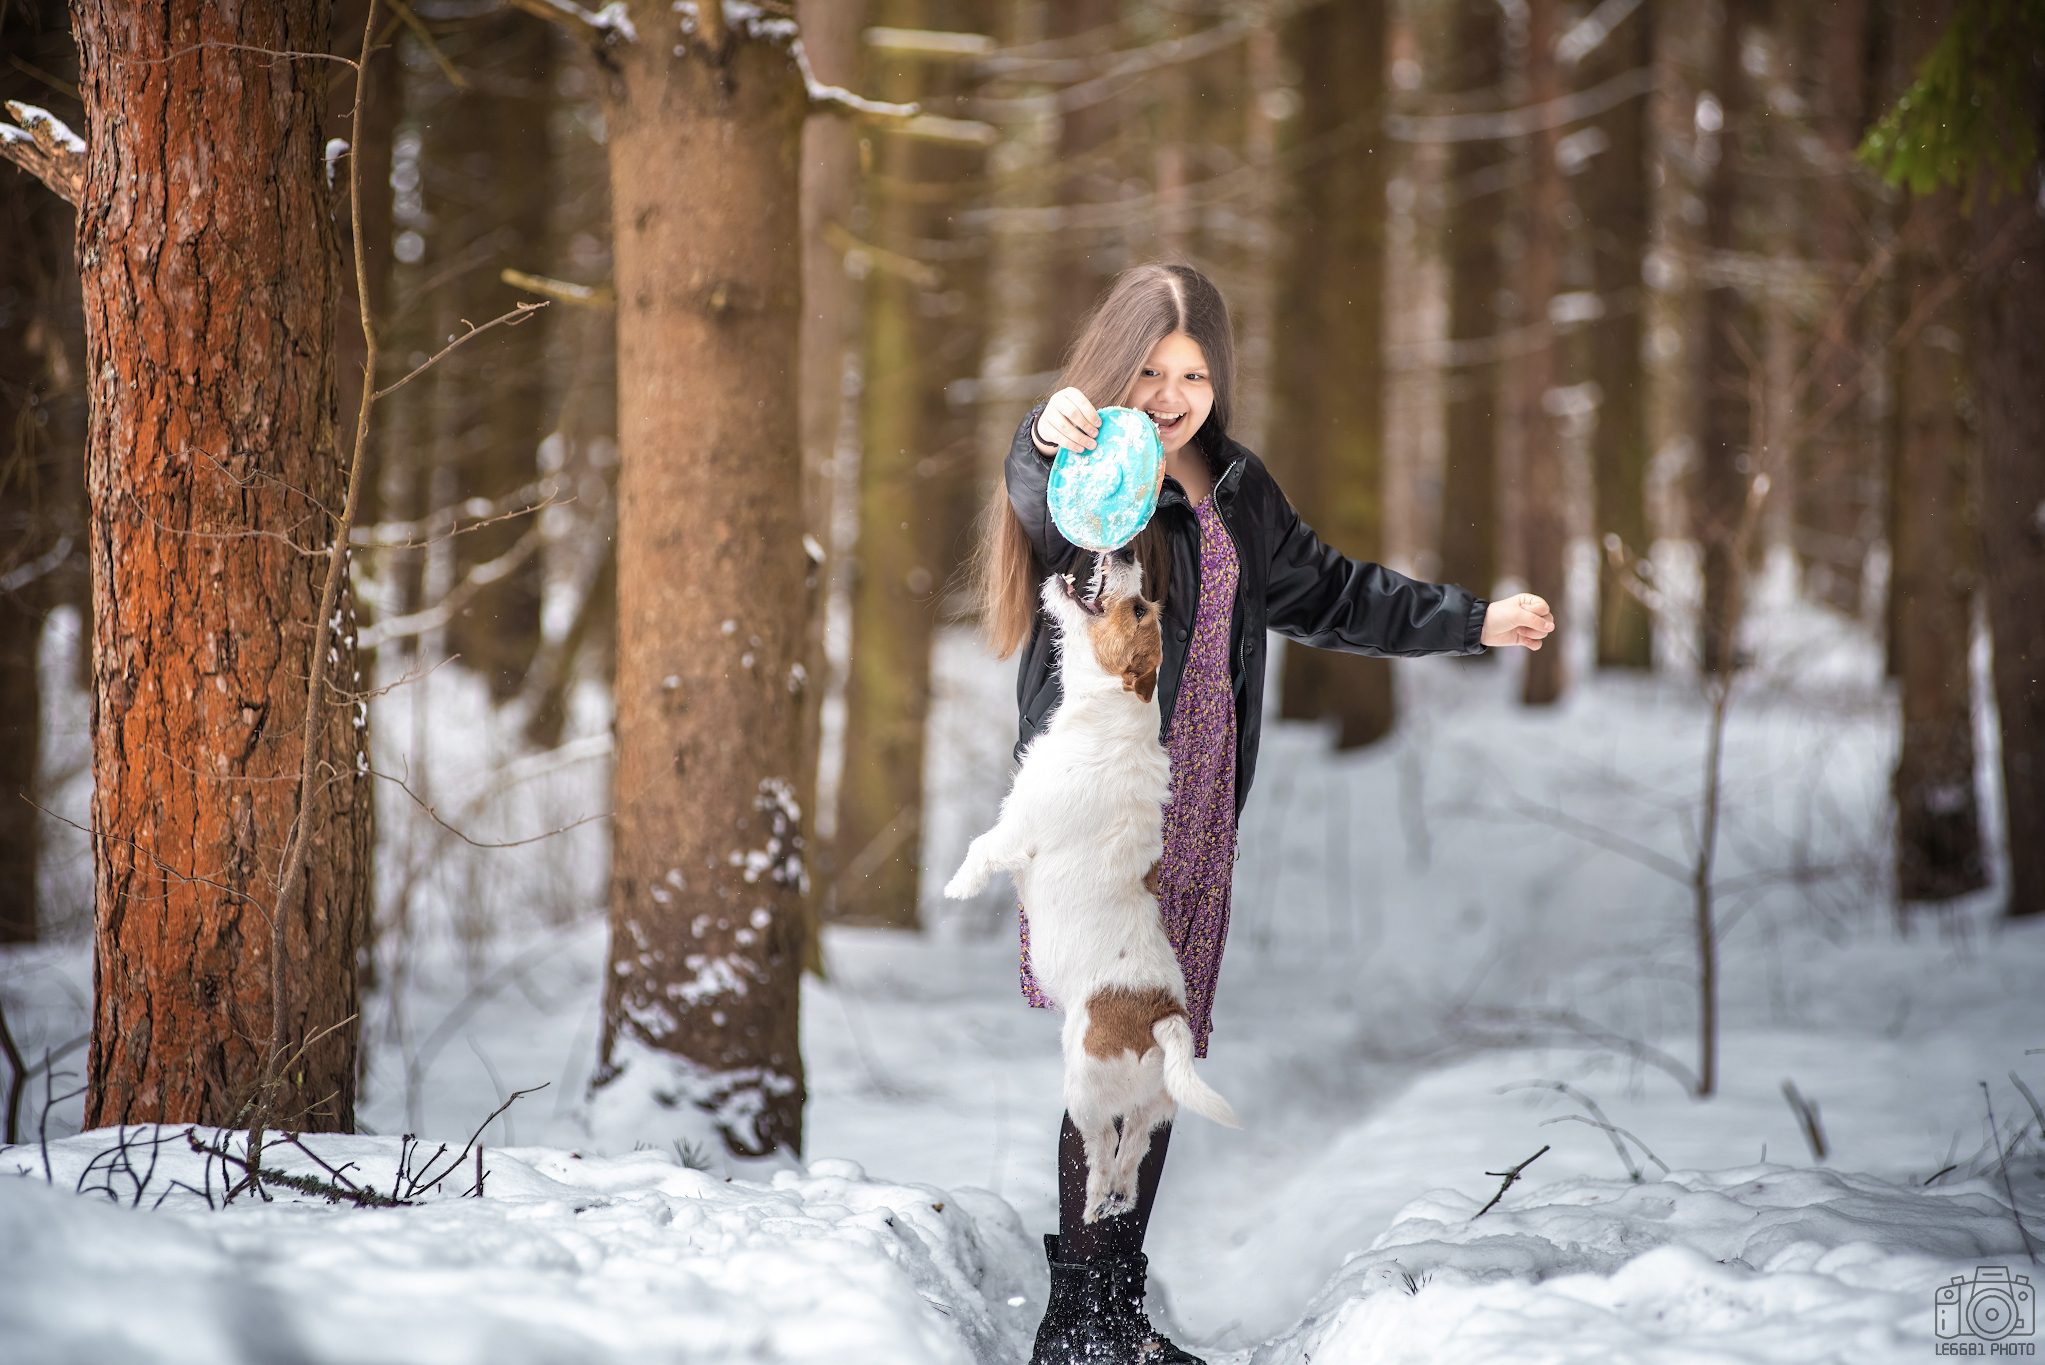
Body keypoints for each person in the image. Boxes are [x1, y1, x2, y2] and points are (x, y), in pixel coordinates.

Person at [973, 263, 1554, 1365]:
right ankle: (1083, 1326)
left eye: (1191, 371)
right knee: (1116, 1048)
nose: (1171, 392)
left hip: (1194, 811)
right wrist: (1046, 438)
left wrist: (1472, 621)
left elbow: (1330, 593)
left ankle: (1104, 1316)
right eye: (1147, 369)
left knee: (1153, 1052)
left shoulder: (1235, 486)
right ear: (1110, 370)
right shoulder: (1096, 469)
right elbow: (1045, 514)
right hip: (1105, 808)